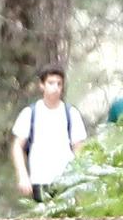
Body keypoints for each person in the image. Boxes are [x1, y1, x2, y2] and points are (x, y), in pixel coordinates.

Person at [10, 64, 87, 203]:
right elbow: (17, 146)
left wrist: (80, 179)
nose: (55, 88)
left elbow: (79, 149)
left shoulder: (71, 114)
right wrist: (22, 175)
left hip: (67, 182)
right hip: (39, 180)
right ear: (42, 85)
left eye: (59, 84)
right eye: (51, 83)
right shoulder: (29, 113)